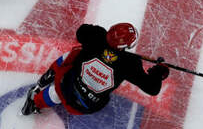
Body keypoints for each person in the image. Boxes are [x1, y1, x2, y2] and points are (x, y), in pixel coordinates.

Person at [21, 23, 169, 116]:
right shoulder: (131, 63)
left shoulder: (97, 37)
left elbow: (81, 31)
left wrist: (99, 32)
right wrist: (158, 73)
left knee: (74, 54)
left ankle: (38, 97)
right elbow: (152, 88)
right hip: (87, 106)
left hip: (65, 87)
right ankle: (51, 91)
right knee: (77, 58)